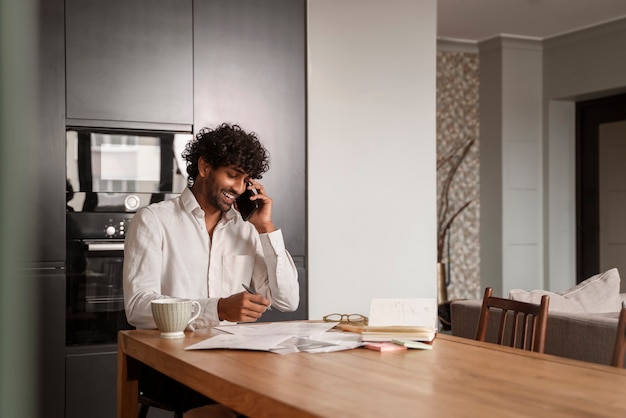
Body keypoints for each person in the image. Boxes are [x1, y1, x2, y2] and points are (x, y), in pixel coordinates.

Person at [123, 123, 300, 416]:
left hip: (235, 357)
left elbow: (287, 301)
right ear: (204, 167)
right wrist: (217, 309)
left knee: (289, 392)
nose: (239, 188)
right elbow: (138, 307)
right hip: (170, 361)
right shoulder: (153, 220)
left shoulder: (247, 228)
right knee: (245, 399)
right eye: (232, 175)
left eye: (245, 180)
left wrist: (266, 228)